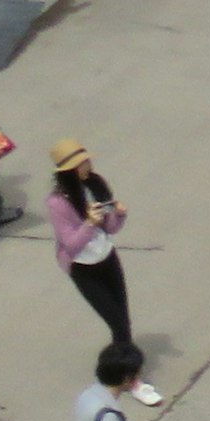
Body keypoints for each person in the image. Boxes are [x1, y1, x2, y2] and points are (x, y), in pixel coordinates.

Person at [44, 140, 144, 373]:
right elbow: (71, 244)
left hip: (108, 259)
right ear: (69, 170)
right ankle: (125, 373)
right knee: (117, 322)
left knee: (122, 319)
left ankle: (124, 369)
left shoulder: (95, 185)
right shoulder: (58, 203)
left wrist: (119, 215)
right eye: (82, 163)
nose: (88, 165)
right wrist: (89, 223)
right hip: (84, 269)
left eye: (86, 160)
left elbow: (110, 228)